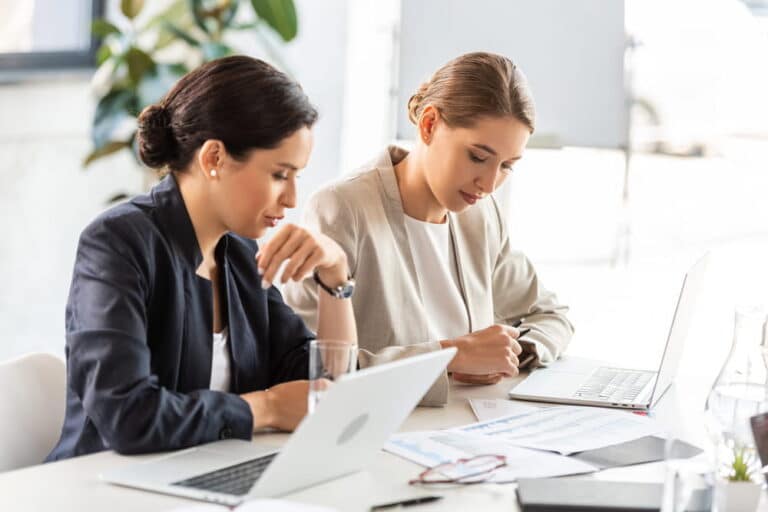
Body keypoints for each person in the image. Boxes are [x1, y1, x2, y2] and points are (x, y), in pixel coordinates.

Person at [47, 56, 356, 460]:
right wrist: (267, 408)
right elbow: (128, 417)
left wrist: (335, 274)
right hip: (103, 488)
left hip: (200, 477)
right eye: (280, 175)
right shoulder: (117, 243)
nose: (293, 198)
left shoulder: (240, 254)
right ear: (214, 158)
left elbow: (323, 386)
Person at [284, 52, 573, 405]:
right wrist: (450, 356)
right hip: (379, 433)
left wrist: (514, 351)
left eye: (507, 166)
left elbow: (551, 314)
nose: (489, 183)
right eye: (478, 157)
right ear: (429, 124)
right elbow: (307, 365)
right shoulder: (342, 208)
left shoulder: (480, 216)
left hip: (470, 430)